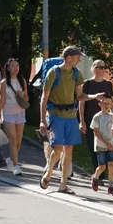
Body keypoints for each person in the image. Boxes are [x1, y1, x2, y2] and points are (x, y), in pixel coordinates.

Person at [37, 45, 86, 193]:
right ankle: (50, 171)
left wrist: (95, 96)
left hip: (71, 115)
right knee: (58, 149)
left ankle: (63, 184)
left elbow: (80, 96)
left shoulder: (77, 74)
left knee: (69, 150)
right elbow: (44, 98)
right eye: (77, 57)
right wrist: (42, 120)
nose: (79, 60)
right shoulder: (54, 72)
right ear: (69, 58)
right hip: (55, 114)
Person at [81, 60, 113, 178]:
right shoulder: (87, 83)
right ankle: (98, 173)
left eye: (104, 67)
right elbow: (82, 103)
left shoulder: (108, 84)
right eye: (100, 67)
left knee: (106, 145)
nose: (102, 69)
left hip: (105, 120)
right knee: (93, 147)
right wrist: (82, 121)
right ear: (93, 68)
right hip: (90, 119)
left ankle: (102, 172)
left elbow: (112, 102)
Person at [0, 57, 29, 176]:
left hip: (20, 112)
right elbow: (1, 100)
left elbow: (27, 99)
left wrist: (22, 96)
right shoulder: (4, 83)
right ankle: (16, 165)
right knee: (13, 140)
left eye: (17, 66)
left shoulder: (22, 81)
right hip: (8, 112)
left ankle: (11, 159)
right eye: (13, 66)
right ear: (8, 68)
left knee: (19, 142)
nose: (16, 68)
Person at [89, 94, 113, 194]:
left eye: (109, 103)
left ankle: (110, 186)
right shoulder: (97, 117)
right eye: (104, 103)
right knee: (102, 166)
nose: (106, 105)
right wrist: (106, 143)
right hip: (101, 145)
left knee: (111, 165)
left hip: (111, 144)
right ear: (100, 104)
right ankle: (95, 177)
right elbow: (96, 132)